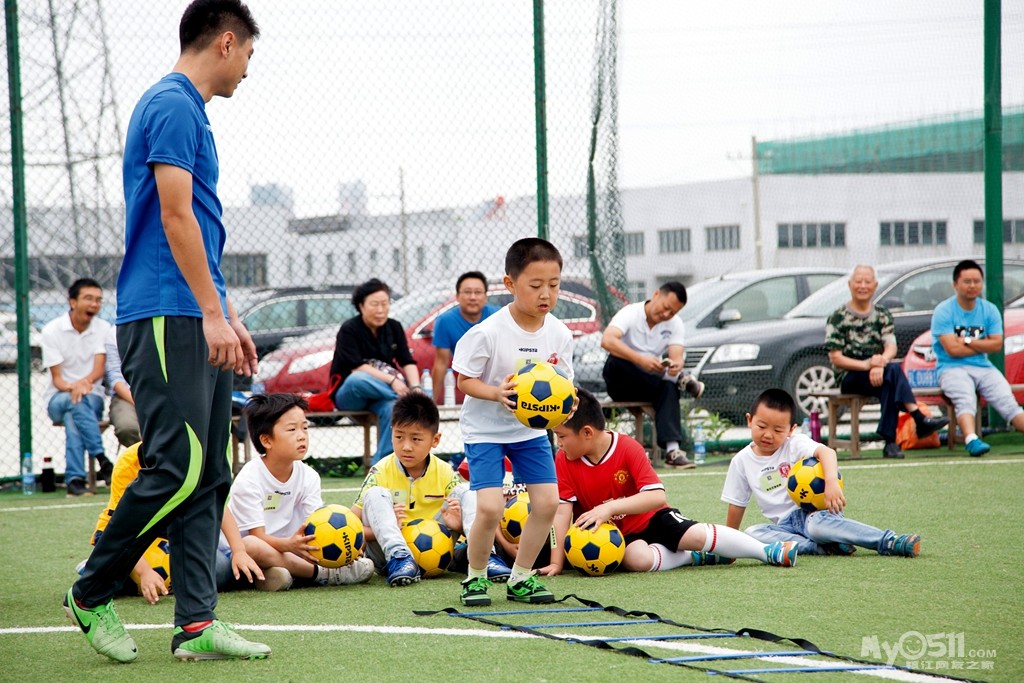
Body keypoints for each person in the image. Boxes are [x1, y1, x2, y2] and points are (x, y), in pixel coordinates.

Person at [65, 0, 269, 663]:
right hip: (163, 314)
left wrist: (228, 313)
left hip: (198, 313)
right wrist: (210, 313)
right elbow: (175, 217)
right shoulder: (172, 104)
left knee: (209, 471)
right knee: (178, 467)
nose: (247, 70)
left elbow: (201, 230)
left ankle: (195, 622)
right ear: (227, 43)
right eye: (249, 56)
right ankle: (92, 589)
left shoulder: (192, 112)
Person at [547, 388, 797, 573]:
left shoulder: (627, 447)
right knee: (637, 561)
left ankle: (766, 551)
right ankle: (695, 557)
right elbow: (561, 514)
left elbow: (657, 497)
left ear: (587, 433)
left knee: (696, 535)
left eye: (561, 436)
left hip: (653, 517)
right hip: (616, 536)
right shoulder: (564, 460)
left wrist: (609, 507)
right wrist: (557, 562)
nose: (559, 443)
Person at [452, 237, 574, 606]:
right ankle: (475, 577)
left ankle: (521, 578)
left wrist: (568, 404)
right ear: (510, 284)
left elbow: (564, 384)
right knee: (490, 507)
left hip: (529, 432)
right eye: (535, 285)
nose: (546, 294)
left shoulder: (560, 333)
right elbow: (463, 380)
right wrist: (496, 393)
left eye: (553, 285)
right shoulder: (487, 332)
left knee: (548, 503)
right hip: (485, 431)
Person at [722, 388, 922, 557]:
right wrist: (727, 545)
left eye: (778, 430)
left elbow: (826, 452)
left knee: (816, 528)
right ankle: (821, 546)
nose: (768, 435)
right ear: (749, 420)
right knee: (751, 533)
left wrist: (831, 482)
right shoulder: (741, 461)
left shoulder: (795, 445)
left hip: (816, 514)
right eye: (762, 426)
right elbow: (737, 504)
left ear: (791, 429)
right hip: (784, 527)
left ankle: (888, 541)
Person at [351, 392, 510, 586]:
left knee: (466, 491)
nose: (406, 446)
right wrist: (385, 525)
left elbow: (463, 511)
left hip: (438, 554)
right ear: (391, 432)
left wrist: (458, 525)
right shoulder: (380, 471)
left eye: (416, 439)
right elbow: (351, 525)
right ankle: (400, 557)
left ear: (435, 440)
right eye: (399, 437)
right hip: (386, 558)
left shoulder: (444, 471)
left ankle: (486, 558)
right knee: (375, 494)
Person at [85, 442, 266, 603]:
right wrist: (145, 572)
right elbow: (123, 527)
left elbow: (216, 504)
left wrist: (239, 551)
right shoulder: (128, 463)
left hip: (176, 530)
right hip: (131, 535)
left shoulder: (193, 454)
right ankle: (99, 567)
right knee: (107, 580)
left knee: (220, 569)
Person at [228, 393, 375, 589]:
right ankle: (325, 575)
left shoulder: (309, 476)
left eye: (305, 428)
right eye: (292, 429)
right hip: (252, 550)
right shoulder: (249, 478)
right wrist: (289, 546)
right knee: (251, 545)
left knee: (287, 565)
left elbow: (316, 526)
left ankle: (279, 574)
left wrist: (344, 544)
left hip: (294, 549)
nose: (301, 435)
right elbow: (258, 536)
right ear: (267, 440)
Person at [825, 265, 948, 459]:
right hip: (849, 376)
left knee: (890, 380)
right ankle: (917, 420)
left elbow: (891, 346)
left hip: (879, 373)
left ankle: (891, 444)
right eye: (858, 281)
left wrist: (880, 361)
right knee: (893, 372)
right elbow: (836, 358)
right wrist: (868, 365)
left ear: (875, 286)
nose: (863, 286)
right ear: (850, 285)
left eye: (867, 282)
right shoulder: (838, 317)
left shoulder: (882, 314)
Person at [601, 282, 705, 469]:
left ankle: (672, 451)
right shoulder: (630, 313)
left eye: (672, 312)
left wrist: (675, 366)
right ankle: (682, 378)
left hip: (650, 383)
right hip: (621, 382)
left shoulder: (675, 324)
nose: (666, 315)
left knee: (668, 385)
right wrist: (641, 360)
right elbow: (607, 340)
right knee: (617, 360)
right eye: (665, 308)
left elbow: (676, 356)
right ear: (656, 294)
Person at [932, 259, 1024, 456]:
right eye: (967, 281)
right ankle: (971, 440)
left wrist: (965, 341)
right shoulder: (943, 311)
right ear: (955, 284)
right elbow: (951, 350)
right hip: (950, 368)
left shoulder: (989, 310)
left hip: (983, 367)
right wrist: (982, 344)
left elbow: (997, 345)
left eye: (976, 281)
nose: (972, 286)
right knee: (965, 397)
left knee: (1006, 401)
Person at [329, 278, 421, 465]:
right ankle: (409, 401)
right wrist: (393, 382)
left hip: (380, 396)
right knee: (358, 379)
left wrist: (417, 387)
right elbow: (357, 367)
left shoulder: (394, 327)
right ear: (361, 306)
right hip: (350, 394)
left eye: (385, 304)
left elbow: (406, 360)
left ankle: (381, 466)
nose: (380, 310)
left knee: (393, 408)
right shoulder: (349, 329)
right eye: (374, 304)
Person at [41, 277, 113, 496]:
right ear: (72, 302)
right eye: (88, 298)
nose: (94, 304)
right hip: (58, 398)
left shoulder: (104, 328)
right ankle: (102, 459)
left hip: (92, 397)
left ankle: (75, 480)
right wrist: (75, 387)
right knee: (75, 403)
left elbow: (99, 369)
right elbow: (58, 380)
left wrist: (84, 385)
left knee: (75, 414)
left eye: (99, 300)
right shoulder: (51, 330)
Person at [430, 271, 499, 401]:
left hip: (495, 381)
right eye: (467, 292)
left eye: (478, 292)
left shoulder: (498, 316)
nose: (472, 297)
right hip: (466, 383)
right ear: (457, 296)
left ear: (485, 297)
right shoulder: (444, 321)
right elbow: (441, 362)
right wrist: (431, 402)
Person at [103, 325, 141, 448]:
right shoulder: (114, 333)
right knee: (127, 428)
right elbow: (115, 379)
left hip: (159, 394)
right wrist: (138, 401)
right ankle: (143, 461)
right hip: (125, 395)